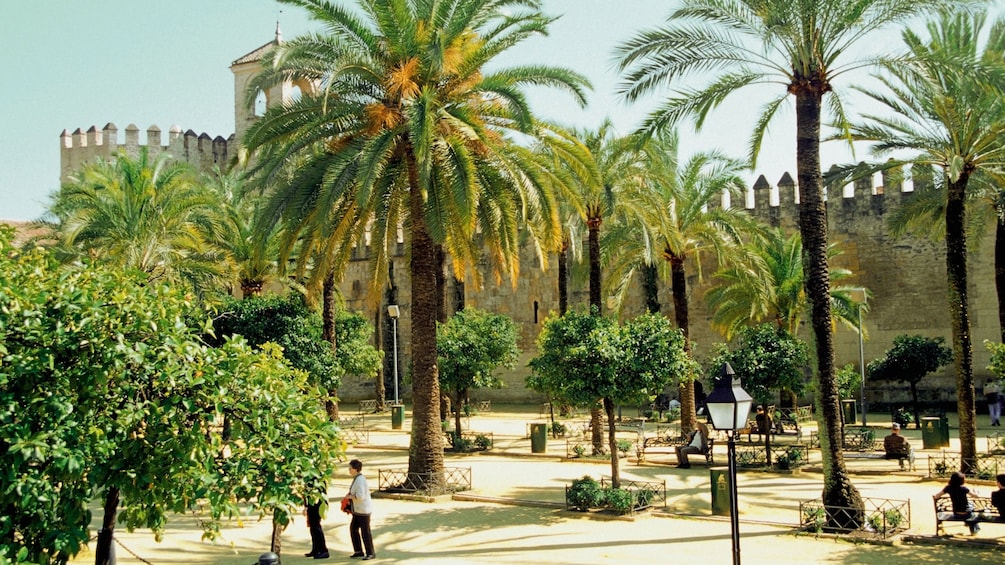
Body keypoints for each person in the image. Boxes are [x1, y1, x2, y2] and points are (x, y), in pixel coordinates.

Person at [346, 459, 376, 560]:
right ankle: (358, 551)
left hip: (363, 511)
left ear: (355, 469)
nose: (349, 470)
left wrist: (351, 497)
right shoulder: (357, 478)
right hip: (358, 510)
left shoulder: (360, 480)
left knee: (365, 532)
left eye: (350, 468)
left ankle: (370, 553)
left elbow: (360, 496)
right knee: (353, 529)